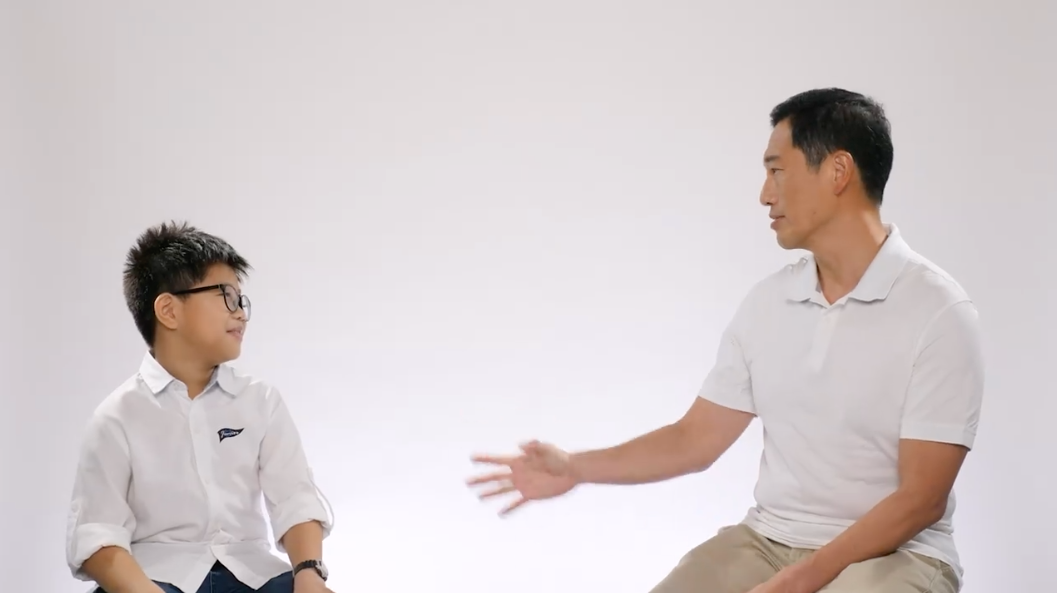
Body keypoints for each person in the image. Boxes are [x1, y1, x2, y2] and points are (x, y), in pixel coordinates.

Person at [467, 88, 984, 593]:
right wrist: (574, 468)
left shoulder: (938, 311)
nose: (765, 194)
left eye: (777, 170)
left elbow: (922, 499)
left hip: (898, 555)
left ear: (838, 171)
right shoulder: (769, 303)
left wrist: (799, 582)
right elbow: (694, 440)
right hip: (768, 542)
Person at [65, 222, 336, 593]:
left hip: (254, 574)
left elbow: (295, 499)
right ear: (168, 310)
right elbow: (98, 534)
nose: (241, 313)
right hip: (154, 578)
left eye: (242, 300)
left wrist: (307, 573)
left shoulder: (261, 402)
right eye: (226, 296)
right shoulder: (116, 417)